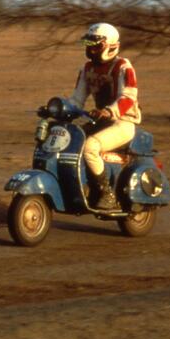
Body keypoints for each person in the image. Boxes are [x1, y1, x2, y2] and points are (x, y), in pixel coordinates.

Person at [69, 23, 141, 210]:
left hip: (123, 122)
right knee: (70, 139)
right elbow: (77, 98)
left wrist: (109, 111)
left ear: (110, 46)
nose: (91, 50)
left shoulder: (123, 67)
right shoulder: (86, 69)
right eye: (89, 45)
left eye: (96, 45)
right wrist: (61, 110)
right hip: (101, 120)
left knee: (90, 146)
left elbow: (128, 97)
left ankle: (105, 192)